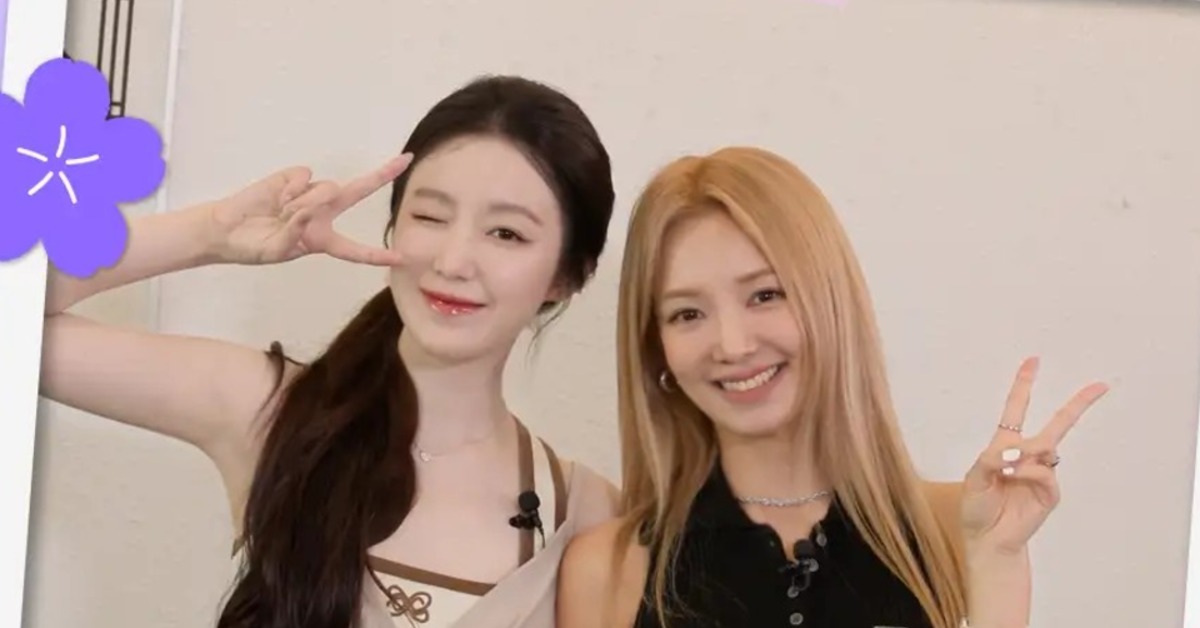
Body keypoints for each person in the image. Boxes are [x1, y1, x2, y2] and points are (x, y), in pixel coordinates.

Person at [40, 75, 621, 628]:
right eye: (430, 216)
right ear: (393, 227)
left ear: (566, 275)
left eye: (506, 233)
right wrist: (210, 235)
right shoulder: (270, 410)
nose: (452, 261)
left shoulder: (587, 514)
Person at [556, 146, 1109, 628]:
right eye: (687, 314)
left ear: (830, 303)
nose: (733, 344)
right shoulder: (608, 571)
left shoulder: (957, 528)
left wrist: (997, 564)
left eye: (765, 295)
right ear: (657, 349)